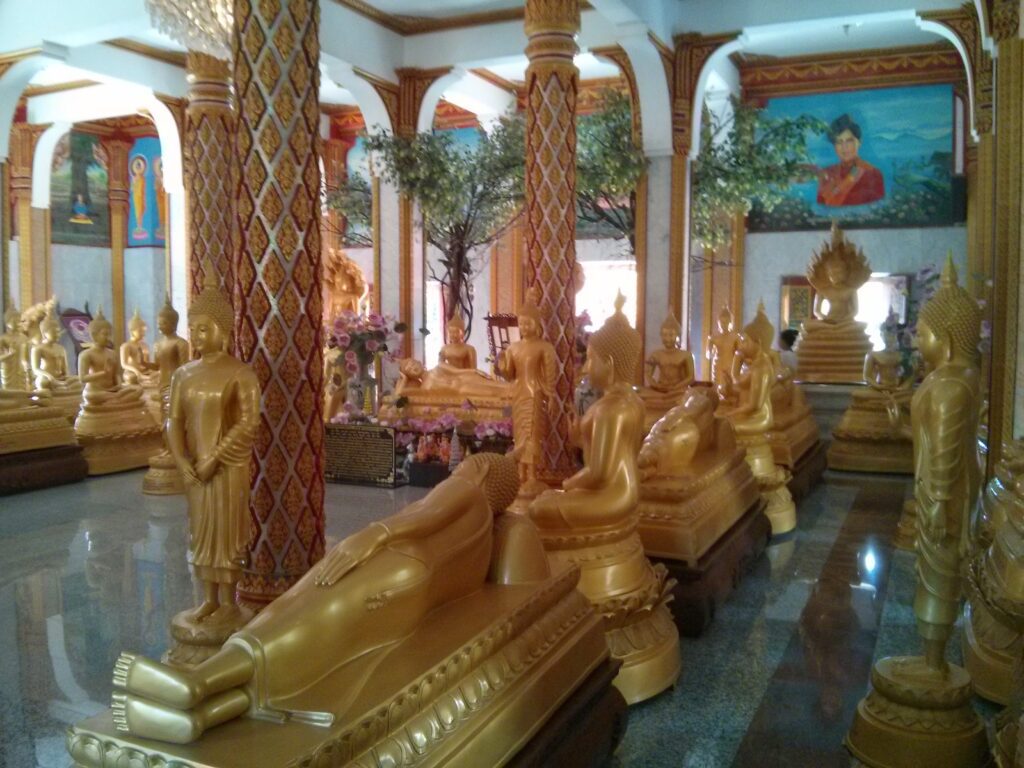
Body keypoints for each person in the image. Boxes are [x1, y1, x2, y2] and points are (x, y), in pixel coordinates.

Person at [109, 452, 523, 743]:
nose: (460, 467)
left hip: (396, 562)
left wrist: (370, 536)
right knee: (316, 653)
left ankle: (197, 683)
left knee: (297, 616)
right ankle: (201, 715)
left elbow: (421, 516)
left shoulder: (466, 490)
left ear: (482, 473)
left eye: (468, 464)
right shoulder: (484, 539)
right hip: (413, 592)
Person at [168, 272, 261, 625]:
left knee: (228, 532)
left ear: (223, 330)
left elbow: (249, 423)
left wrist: (215, 458)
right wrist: (182, 461)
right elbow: (172, 422)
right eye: (194, 328)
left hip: (227, 467)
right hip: (195, 469)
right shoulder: (183, 375)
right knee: (202, 532)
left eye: (205, 328)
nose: (197, 335)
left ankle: (230, 601)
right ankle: (209, 599)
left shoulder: (240, 373)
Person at [815, 114, 885, 207]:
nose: (845, 147)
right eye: (839, 142)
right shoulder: (827, 173)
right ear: (834, 146)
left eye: (849, 141)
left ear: (859, 143)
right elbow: (822, 207)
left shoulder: (873, 173)